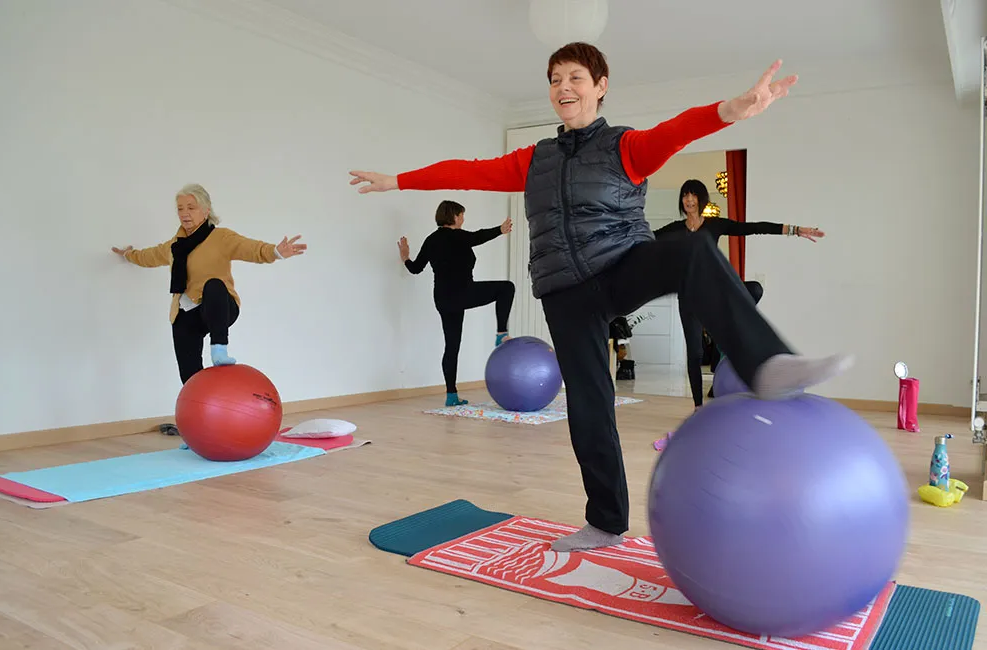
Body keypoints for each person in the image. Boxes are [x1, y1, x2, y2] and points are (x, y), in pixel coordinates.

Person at [348, 42, 853, 552]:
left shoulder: (624, 146)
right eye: (554, 80)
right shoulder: (535, 159)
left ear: (600, 86)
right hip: (564, 292)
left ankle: (768, 365)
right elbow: (467, 171)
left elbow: (679, 130)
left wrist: (733, 110)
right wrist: (397, 181)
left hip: (619, 268)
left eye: (575, 78)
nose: (563, 88)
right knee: (590, 404)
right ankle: (605, 522)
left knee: (694, 250)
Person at [653, 178, 826, 407]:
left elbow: (753, 228)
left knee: (754, 288)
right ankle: (697, 407)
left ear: (701, 199)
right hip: (690, 298)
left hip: (715, 293)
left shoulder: (714, 225)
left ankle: (726, 337)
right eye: (685, 195)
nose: (689, 199)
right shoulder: (674, 230)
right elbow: (644, 238)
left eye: (693, 195)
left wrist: (795, 230)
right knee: (694, 353)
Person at [112, 183, 306, 386]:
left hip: (220, 307)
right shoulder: (174, 246)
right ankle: (199, 413)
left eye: (191, 207)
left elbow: (250, 248)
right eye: (180, 208)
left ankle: (219, 347)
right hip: (188, 312)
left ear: (206, 210)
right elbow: (149, 256)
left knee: (213, 284)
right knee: (190, 378)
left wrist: (275, 252)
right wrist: (127, 255)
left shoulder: (220, 237)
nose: (184, 213)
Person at [400, 199, 516, 406]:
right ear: (453, 216)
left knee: (452, 346)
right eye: (461, 215)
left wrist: (406, 258)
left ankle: (451, 395)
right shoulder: (457, 237)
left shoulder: (431, 240)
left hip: (444, 299)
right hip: (462, 293)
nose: (463, 218)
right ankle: (501, 334)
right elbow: (478, 236)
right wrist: (499, 229)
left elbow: (416, 268)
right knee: (506, 288)